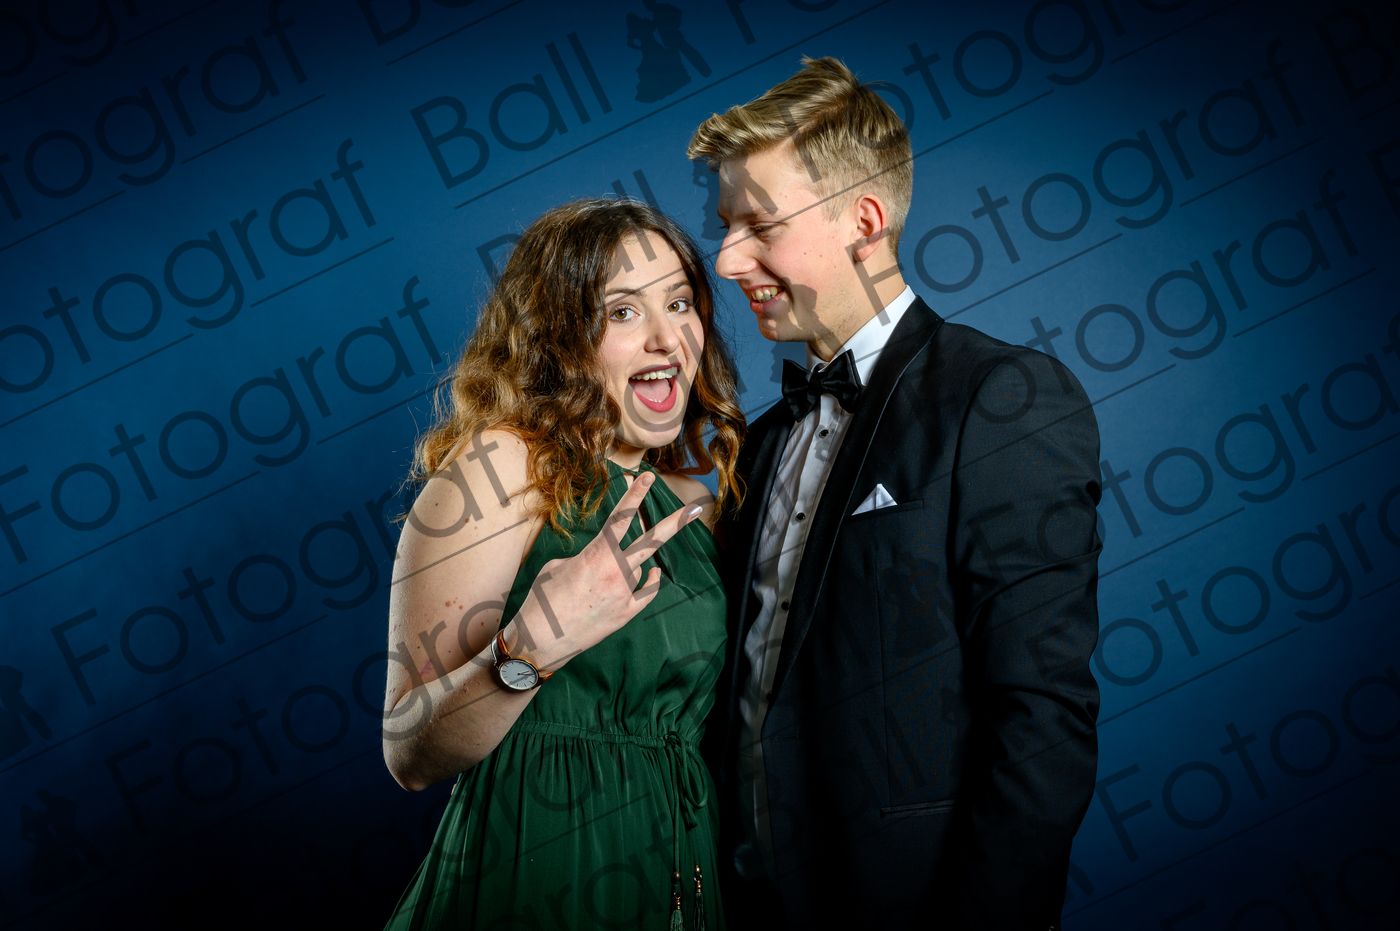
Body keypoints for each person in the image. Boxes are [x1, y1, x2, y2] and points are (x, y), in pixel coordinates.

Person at [688, 57, 1103, 928]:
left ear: (864, 222)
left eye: (760, 225)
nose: (726, 260)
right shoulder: (761, 443)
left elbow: (1041, 721)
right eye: (726, 228)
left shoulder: (1002, 398)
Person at [379, 198, 746, 930]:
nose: (667, 337)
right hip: (539, 868)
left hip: (680, 876)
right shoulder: (502, 467)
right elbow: (409, 750)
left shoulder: (695, 506)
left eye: (679, 302)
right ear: (558, 337)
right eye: (622, 312)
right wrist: (532, 645)